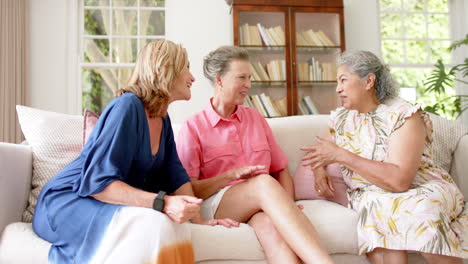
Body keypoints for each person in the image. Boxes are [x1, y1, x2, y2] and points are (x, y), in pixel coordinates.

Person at [32, 40, 238, 264]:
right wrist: (164, 203)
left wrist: (200, 224)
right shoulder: (127, 107)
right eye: (186, 67)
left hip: (101, 201)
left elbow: (176, 179)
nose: (192, 77)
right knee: (156, 223)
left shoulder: (163, 118)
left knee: (172, 227)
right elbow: (96, 183)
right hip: (68, 201)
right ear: (165, 70)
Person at [301, 50, 467, 263]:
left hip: (421, 187)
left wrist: (342, 156)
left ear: (368, 81)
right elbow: (321, 152)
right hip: (371, 193)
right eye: (337, 82)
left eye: (343, 80)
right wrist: (318, 172)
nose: (338, 89)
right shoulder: (341, 118)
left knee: (419, 209)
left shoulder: (403, 115)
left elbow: (399, 182)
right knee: (377, 204)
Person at [176, 46, 333, 264]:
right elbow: (189, 188)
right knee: (263, 183)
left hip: (261, 201)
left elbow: (280, 168)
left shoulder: (255, 118)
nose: (248, 85)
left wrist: (285, 205)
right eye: (241, 77)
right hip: (219, 203)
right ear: (219, 80)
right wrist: (231, 176)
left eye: (249, 77)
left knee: (273, 231)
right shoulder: (193, 127)